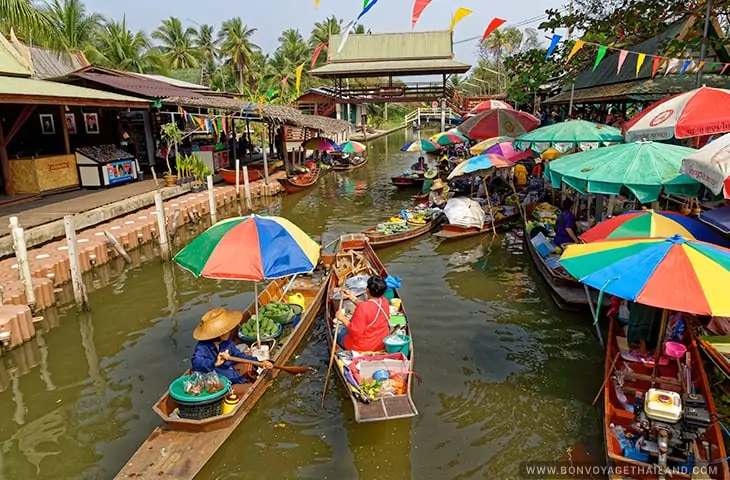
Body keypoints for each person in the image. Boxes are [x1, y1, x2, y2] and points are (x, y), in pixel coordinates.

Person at [191, 308, 273, 395]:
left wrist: (259, 362)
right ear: (218, 334)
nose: (229, 332)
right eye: (225, 332)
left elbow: (238, 355)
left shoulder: (226, 341)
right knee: (248, 389)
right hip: (217, 381)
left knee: (249, 366)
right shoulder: (203, 346)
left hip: (229, 371)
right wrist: (215, 363)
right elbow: (196, 361)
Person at [336, 276, 391, 352]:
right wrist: (351, 297)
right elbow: (371, 306)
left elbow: (355, 331)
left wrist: (342, 318)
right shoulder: (384, 301)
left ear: (367, 290)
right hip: (381, 343)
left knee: (338, 330)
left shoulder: (362, 308)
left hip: (363, 347)